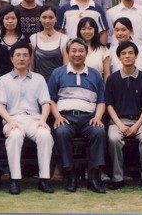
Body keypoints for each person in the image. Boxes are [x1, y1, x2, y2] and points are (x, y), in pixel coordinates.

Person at [47, 38, 108, 194]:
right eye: (73, 51)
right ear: (68, 53)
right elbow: (51, 99)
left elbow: (101, 100)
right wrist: (57, 117)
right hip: (66, 117)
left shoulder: (95, 74)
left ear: (86, 53)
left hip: (89, 118)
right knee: (61, 132)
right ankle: (70, 175)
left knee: (99, 132)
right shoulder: (58, 73)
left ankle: (93, 177)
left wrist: (97, 117)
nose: (77, 54)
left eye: (81, 51)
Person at [0, 40, 55, 195]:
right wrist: (10, 121)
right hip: (13, 119)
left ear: (30, 58)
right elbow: (0, 105)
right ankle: (15, 180)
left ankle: (44, 179)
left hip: (34, 119)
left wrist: (43, 120)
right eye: (18, 55)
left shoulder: (39, 79)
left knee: (45, 136)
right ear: (11, 58)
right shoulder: (3, 80)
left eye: (25, 55)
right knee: (14, 136)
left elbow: (46, 103)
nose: (21, 58)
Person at [105, 41, 142, 191]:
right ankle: (117, 178)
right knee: (113, 139)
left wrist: (137, 125)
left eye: (130, 53)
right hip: (117, 122)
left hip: (139, 122)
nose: (127, 56)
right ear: (119, 58)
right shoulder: (112, 79)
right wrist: (120, 125)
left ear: (136, 56)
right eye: (123, 54)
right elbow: (109, 105)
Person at [28, 5, 69, 81]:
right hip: (38, 82)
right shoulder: (33, 38)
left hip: (57, 82)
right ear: (39, 18)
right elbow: (31, 66)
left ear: (56, 19)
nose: (47, 21)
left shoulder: (64, 39)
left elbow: (66, 66)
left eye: (51, 17)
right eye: (44, 17)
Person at [0, 5, 23, 83]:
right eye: (7, 18)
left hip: (20, 80)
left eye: (13, 18)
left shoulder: (24, 40)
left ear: (18, 20)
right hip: (1, 81)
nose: (10, 21)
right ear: (2, 20)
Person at [77, 17, 110, 81]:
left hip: (97, 85)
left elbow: (107, 74)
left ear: (95, 30)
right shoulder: (74, 49)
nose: (87, 32)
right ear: (79, 31)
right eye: (83, 29)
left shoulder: (103, 49)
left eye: (90, 29)